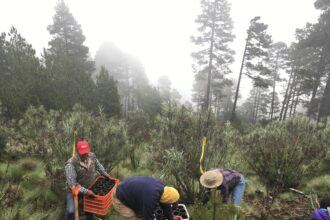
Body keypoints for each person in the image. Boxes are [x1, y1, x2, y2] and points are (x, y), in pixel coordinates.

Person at [64, 140, 111, 220]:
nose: (85, 154)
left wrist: (104, 173)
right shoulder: (71, 164)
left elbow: (98, 165)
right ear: (78, 151)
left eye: (86, 152)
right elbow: (72, 184)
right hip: (74, 190)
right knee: (71, 211)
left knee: (90, 209)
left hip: (89, 187)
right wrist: (86, 191)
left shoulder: (91, 156)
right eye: (83, 153)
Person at [112, 176, 181, 220]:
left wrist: (171, 218)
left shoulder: (163, 190)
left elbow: (166, 207)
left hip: (129, 190)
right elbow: (148, 218)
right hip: (120, 198)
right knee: (133, 218)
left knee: (141, 214)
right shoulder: (151, 198)